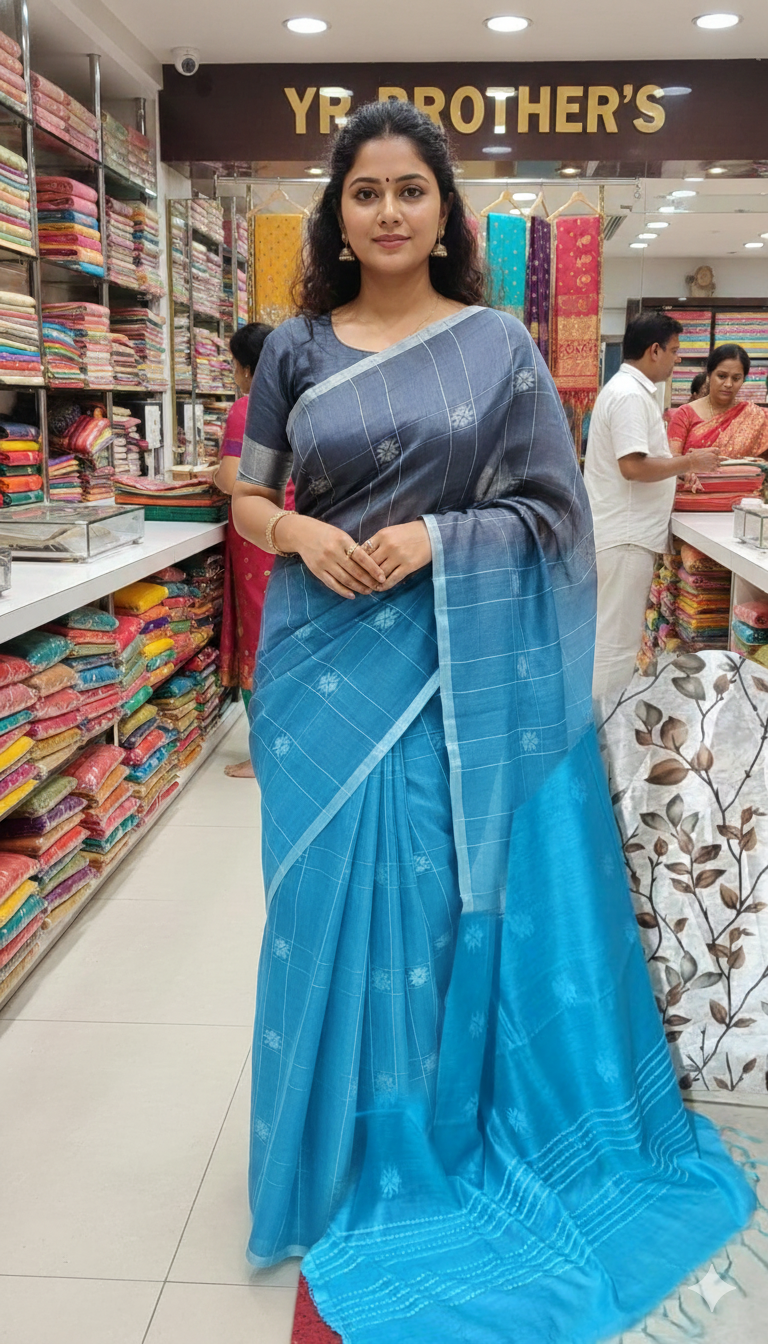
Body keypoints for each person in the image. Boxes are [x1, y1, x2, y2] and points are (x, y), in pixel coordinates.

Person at [232, 103, 752, 1344]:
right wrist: (296, 529)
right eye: (366, 192)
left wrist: (437, 537)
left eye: (412, 190)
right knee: (316, 912)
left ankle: (415, 1142)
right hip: (318, 668)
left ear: (445, 212)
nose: (389, 212)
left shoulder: (498, 347)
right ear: (338, 213)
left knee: (423, 908)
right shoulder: (295, 348)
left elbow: (556, 511)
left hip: (443, 670)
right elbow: (246, 496)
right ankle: (319, 1163)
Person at [584, 312, 721, 700]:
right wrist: (689, 461)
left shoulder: (631, 391)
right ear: (654, 350)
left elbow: (642, 461)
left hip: (623, 533)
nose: (679, 358)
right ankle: (602, 728)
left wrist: (677, 470)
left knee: (612, 636)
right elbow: (632, 467)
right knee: (615, 642)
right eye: (675, 351)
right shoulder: (629, 395)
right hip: (624, 537)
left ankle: (599, 722)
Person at [214, 323, 294, 778]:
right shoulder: (297, 399)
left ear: (247, 368)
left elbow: (231, 479)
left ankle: (265, 755)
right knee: (287, 636)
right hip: (295, 529)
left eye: (234, 366)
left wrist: (212, 474)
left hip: (258, 538)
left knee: (258, 641)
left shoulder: (248, 406)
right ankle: (288, 747)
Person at [668, 342, 768, 467]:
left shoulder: (757, 416)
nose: (728, 384)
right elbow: (670, 462)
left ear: (743, 379)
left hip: (743, 480)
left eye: (736, 378)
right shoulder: (685, 414)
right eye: (721, 376)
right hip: (693, 480)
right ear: (709, 375)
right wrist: (691, 462)